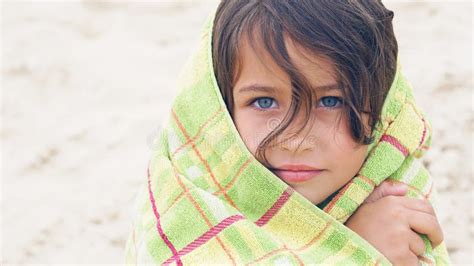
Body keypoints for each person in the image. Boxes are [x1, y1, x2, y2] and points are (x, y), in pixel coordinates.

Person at [125, 1, 450, 265]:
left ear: (385, 109)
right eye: (264, 101)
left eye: (331, 101)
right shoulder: (184, 211)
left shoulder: (396, 205)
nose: (295, 140)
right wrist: (354, 252)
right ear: (219, 110)